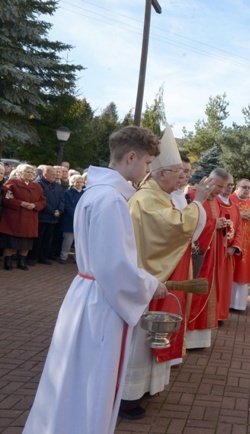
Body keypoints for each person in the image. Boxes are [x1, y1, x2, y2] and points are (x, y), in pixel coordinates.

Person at [23, 126, 168, 434]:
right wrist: (152, 286)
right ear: (131, 156)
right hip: (101, 302)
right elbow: (114, 267)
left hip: (85, 293)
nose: (147, 172)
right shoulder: (111, 200)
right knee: (91, 381)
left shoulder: (96, 192)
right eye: (146, 164)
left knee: (71, 376)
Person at [120, 125, 210, 419]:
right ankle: (128, 396)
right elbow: (174, 227)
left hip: (151, 280)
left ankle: (143, 387)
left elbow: (175, 223)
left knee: (148, 338)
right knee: (138, 339)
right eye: (177, 173)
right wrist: (200, 201)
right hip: (143, 282)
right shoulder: (147, 198)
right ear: (161, 174)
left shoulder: (159, 196)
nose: (183, 178)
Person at [185, 168, 231, 349]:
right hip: (197, 257)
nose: (221, 190)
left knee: (207, 292)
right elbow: (188, 225)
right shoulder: (194, 197)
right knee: (194, 293)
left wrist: (223, 225)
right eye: (218, 185)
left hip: (211, 257)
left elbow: (217, 223)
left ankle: (200, 339)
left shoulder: (217, 202)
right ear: (209, 181)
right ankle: (188, 337)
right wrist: (213, 225)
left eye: (224, 187)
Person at [0, 164, 45, 271]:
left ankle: (21, 262)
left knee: (26, 243)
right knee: (10, 242)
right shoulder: (12, 183)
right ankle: (8, 262)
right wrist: (21, 203)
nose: (30, 174)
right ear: (19, 173)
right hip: (15, 218)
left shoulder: (37, 186)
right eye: (27, 172)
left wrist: (35, 205)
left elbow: (43, 200)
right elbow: (6, 199)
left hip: (30, 218)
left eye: (31, 172)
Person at [230, 179, 250, 312]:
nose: (247, 190)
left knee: (243, 272)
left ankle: (239, 304)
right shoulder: (230, 199)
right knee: (231, 271)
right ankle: (228, 303)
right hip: (232, 242)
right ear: (236, 188)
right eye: (244, 187)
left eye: (249, 188)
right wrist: (238, 215)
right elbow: (225, 215)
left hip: (247, 244)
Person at [214, 175, 243, 320]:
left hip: (228, 254)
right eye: (226, 184)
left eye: (231, 184)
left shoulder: (235, 207)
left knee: (225, 285)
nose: (229, 187)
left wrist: (234, 247)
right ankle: (212, 315)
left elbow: (239, 229)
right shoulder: (213, 202)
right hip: (214, 253)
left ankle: (220, 315)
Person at [28, 166, 64, 266]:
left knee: (48, 238)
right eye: (52, 175)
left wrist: (59, 210)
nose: (55, 176)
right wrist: (52, 211)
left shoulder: (57, 185)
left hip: (54, 218)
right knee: (38, 238)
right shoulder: (38, 184)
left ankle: (43, 256)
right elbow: (41, 200)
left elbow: (61, 199)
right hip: (43, 216)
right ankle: (33, 257)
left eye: (55, 174)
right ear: (45, 174)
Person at [58, 174, 85, 264]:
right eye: (77, 182)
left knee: (79, 242)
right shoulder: (67, 193)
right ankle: (63, 257)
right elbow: (68, 206)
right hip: (70, 220)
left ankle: (77, 259)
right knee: (67, 241)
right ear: (72, 182)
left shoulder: (85, 192)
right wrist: (77, 214)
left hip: (82, 220)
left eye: (81, 182)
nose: (79, 184)